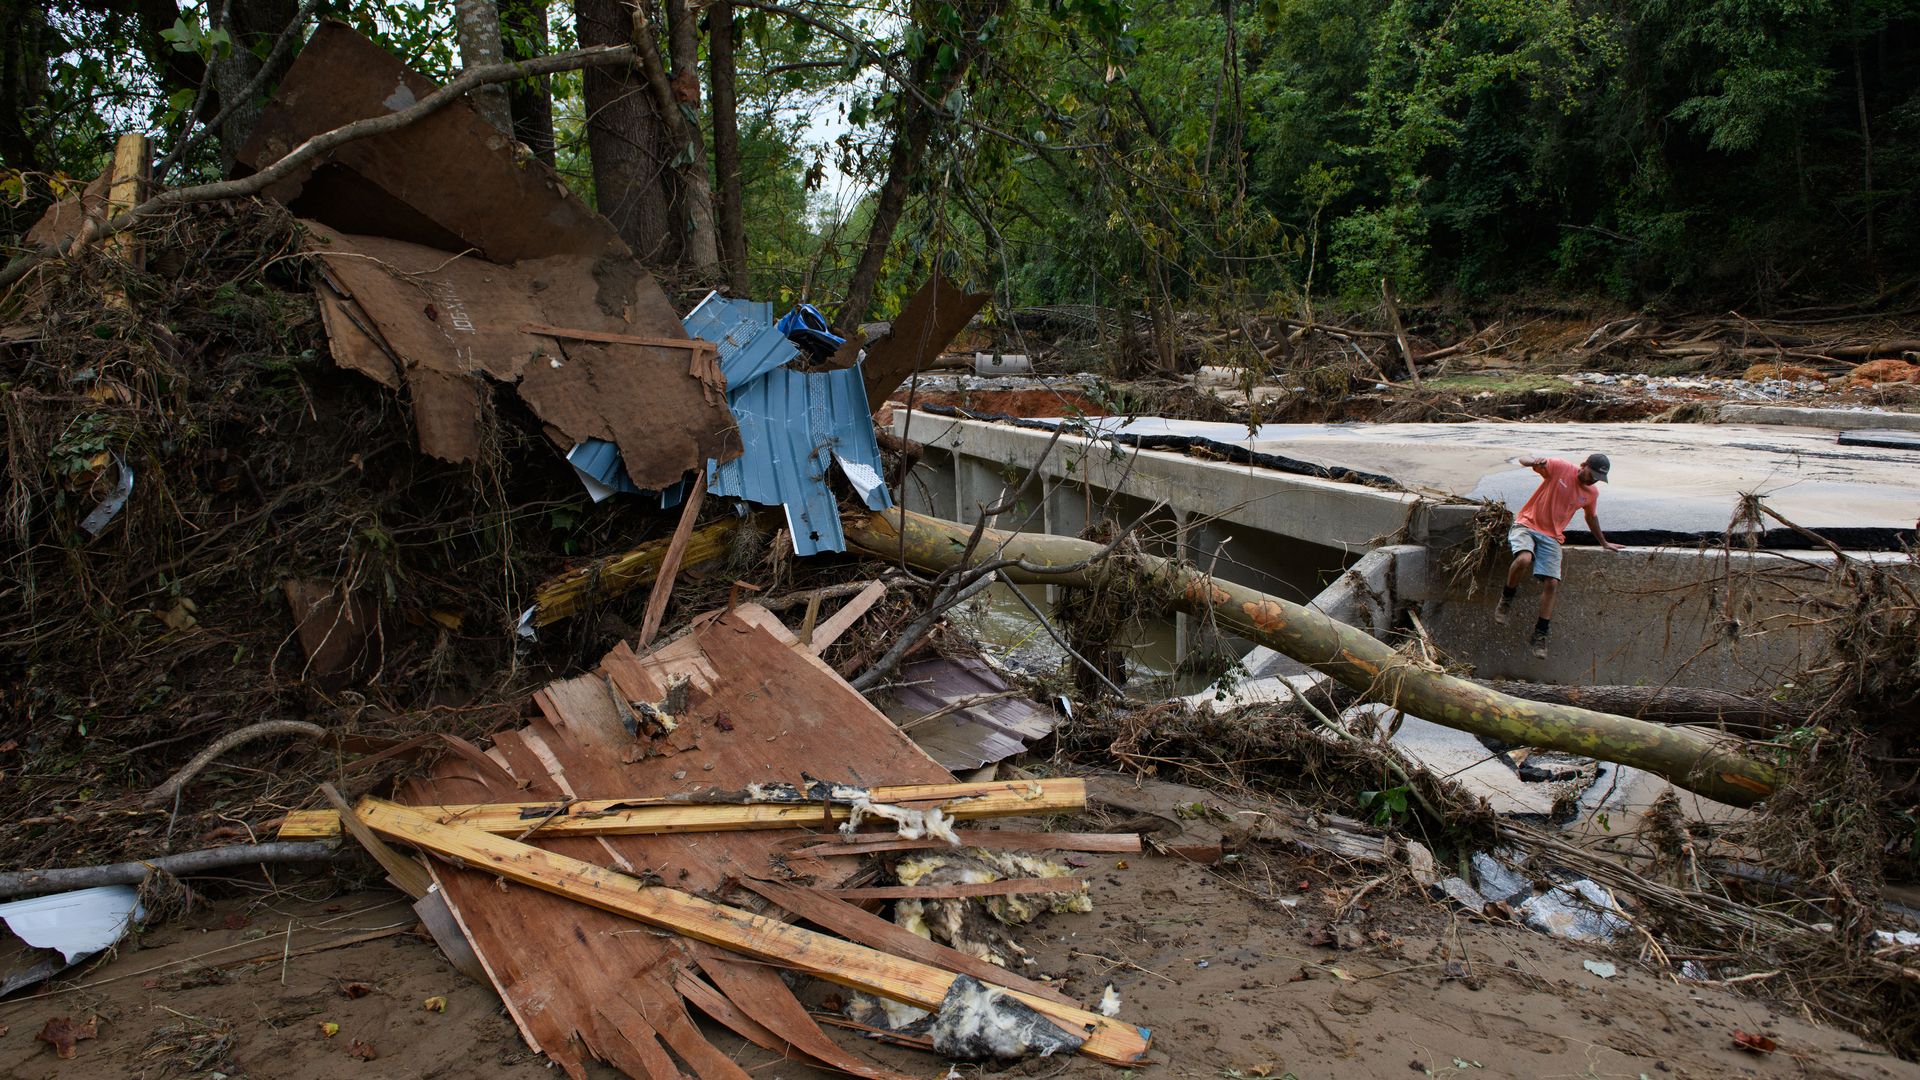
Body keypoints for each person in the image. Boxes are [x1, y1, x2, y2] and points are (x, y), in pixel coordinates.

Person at [1494, 452, 1625, 658]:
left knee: (1552, 583)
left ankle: (1540, 634)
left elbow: (1591, 517)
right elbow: (1524, 460)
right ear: (1584, 465)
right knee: (1524, 559)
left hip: (1552, 536)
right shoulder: (1560, 467)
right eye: (1592, 475)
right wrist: (1535, 462)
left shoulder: (1592, 493)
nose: (1593, 481)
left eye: (1598, 479)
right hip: (1527, 525)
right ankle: (1506, 600)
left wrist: (1603, 542)